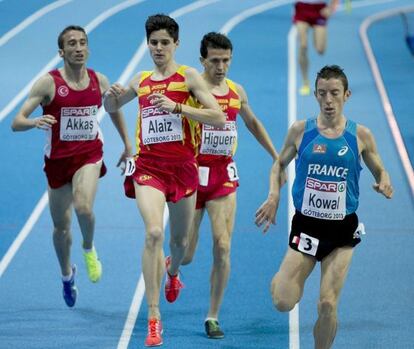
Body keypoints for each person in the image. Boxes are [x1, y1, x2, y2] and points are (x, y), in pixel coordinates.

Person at [104, 15, 225, 347]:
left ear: (176, 44)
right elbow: (110, 105)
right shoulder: (141, 80)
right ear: (148, 44)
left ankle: (173, 274)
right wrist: (111, 98)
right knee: (154, 232)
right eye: (153, 42)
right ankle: (154, 318)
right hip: (149, 169)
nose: (158, 48)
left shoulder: (188, 77)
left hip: (184, 168)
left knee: (180, 246)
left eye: (164, 42)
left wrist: (178, 108)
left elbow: (217, 116)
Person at [255, 65, 393, 348]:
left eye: (334, 93)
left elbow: (380, 169)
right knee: (283, 301)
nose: (328, 100)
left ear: (347, 95)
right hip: (307, 226)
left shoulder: (360, 135)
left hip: (342, 230)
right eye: (322, 94)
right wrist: (273, 196)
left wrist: (385, 181)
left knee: (327, 304)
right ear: (316, 96)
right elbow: (277, 165)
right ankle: (282, 279)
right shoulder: (300, 131)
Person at [11, 26, 132, 307]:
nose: (78, 48)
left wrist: (127, 143)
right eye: (72, 44)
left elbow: (113, 109)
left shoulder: (99, 80)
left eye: (83, 43)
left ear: (88, 49)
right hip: (57, 162)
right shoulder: (48, 84)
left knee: (84, 208)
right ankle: (67, 274)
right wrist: (34, 122)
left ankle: (89, 249)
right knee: (61, 229)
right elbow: (16, 121)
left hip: (89, 155)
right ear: (61, 52)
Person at [180, 32, 279, 339]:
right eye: (215, 61)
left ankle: (212, 316)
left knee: (223, 246)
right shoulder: (192, 90)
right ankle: (171, 263)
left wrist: (277, 157)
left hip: (223, 176)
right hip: (192, 175)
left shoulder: (236, 91)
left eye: (226, 60)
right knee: (186, 254)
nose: (221, 67)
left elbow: (252, 122)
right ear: (202, 61)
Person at [294, 0, 338, 95]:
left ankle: (316, 34)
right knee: (302, 46)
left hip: (320, 10)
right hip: (302, 9)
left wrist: (332, 7)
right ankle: (305, 82)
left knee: (320, 49)